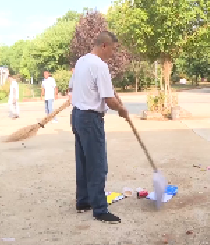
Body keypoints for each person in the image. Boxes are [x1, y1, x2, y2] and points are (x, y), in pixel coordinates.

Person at [69, 31, 129, 223]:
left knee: (84, 161)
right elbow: (109, 100)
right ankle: (100, 210)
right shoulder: (99, 66)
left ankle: (83, 201)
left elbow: (75, 87)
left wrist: (111, 96)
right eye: (112, 49)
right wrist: (121, 110)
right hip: (90, 118)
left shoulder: (82, 61)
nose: (113, 53)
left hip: (77, 116)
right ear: (104, 46)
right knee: (97, 165)